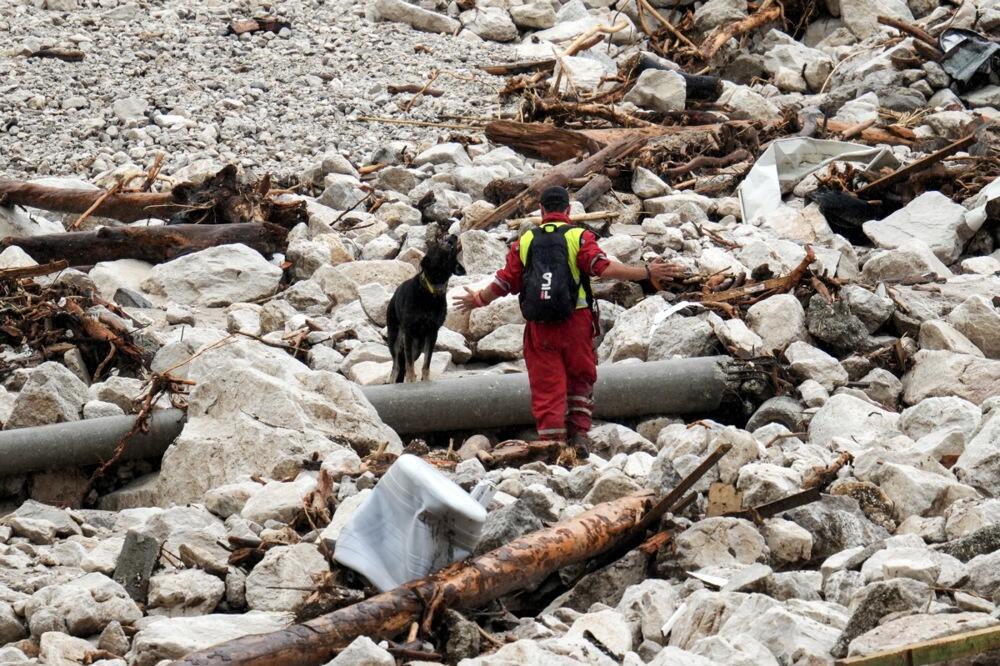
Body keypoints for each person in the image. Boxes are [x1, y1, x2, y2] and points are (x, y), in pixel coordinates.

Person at [454, 185, 684, 456]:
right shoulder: (579, 236)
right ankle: (579, 438)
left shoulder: (525, 241)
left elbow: (505, 281)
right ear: (568, 210)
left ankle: (554, 448)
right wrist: (645, 271)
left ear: (541, 211)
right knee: (581, 379)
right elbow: (603, 268)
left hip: (540, 328)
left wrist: (479, 299)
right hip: (577, 323)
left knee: (547, 387)